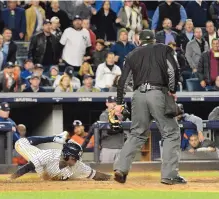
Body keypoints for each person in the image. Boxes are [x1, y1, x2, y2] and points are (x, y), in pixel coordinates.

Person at [113, 29, 185, 185]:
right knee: (171, 133)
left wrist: (119, 103)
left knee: (137, 134)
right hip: (158, 93)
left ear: (139, 41)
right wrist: (172, 91)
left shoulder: (131, 54)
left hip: (138, 96)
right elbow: (173, 70)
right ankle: (169, 175)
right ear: (154, 40)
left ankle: (121, 168)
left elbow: (123, 81)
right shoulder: (164, 48)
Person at [9, 138, 110, 181]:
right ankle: (52, 137)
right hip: (40, 160)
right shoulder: (49, 155)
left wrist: (112, 178)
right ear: (66, 155)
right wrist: (12, 178)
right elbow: (29, 166)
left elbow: (95, 174)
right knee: (20, 143)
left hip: (51, 175)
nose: (76, 161)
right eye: (74, 158)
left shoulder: (78, 165)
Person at [99, 96, 126, 163]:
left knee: (121, 171)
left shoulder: (122, 115)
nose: (113, 104)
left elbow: (127, 131)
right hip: (108, 148)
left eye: (115, 103)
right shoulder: (104, 115)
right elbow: (109, 131)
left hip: (121, 148)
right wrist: (120, 127)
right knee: (105, 171)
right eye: (111, 102)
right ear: (107, 104)